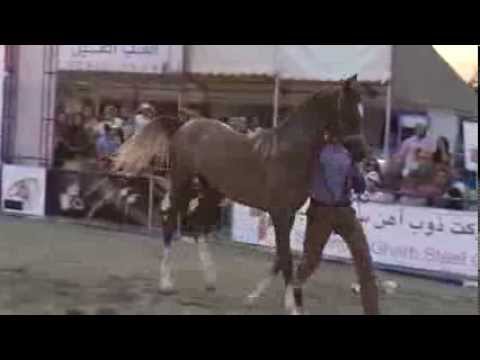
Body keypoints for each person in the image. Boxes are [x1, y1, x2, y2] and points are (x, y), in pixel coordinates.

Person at [294, 131, 379, 315]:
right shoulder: (346, 159)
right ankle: (372, 311)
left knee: (311, 260)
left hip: (320, 211)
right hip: (344, 212)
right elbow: (361, 187)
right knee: (364, 264)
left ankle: (295, 285)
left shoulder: (316, 154)